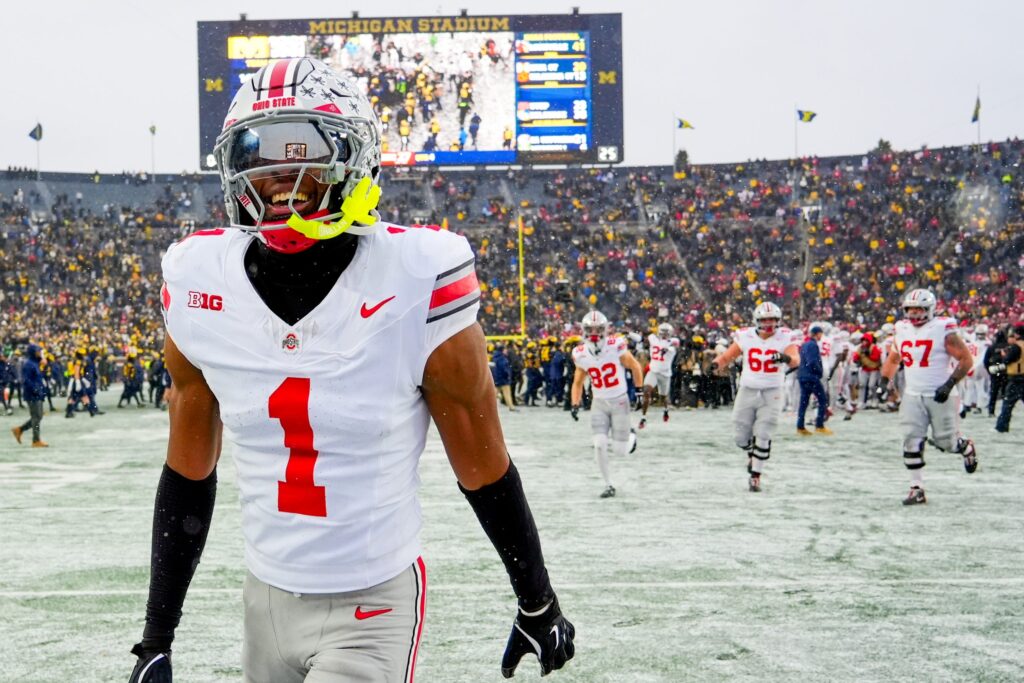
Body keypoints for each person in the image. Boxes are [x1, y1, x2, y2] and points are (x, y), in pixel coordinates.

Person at [128, 58, 573, 683]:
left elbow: (483, 466)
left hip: (371, 603)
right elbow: (187, 471)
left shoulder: (417, 275)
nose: (279, 174)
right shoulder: (199, 279)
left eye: (301, 148)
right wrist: (156, 637)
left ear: (352, 157)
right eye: (258, 152)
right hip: (265, 599)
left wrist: (536, 598)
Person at [878, 289, 978, 506]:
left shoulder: (942, 328)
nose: (914, 313)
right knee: (911, 439)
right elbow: (894, 359)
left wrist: (949, 384)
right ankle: (916, 488)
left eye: (919, 309)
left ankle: (965, 446)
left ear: (930, 309)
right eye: (911, 309)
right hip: (913, 394)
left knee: (946, 442)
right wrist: (884, 381)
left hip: (941, 394)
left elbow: (966, 359)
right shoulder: (901, 328)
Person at [712, 302, 799, 492]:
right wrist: (715, 365)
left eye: (772, 319)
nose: (769, 323)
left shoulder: (785, 336)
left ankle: (755, 477)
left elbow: (795, 360)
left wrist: (784, 358)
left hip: (773, 391)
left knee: (764, 432)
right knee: (740, 436)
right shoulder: (746, 336)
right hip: (748, 389)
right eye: (765, 320)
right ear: (757, 320)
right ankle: (752, 452)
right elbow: (727, 357)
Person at [570, 310, 644, 498]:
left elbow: (635, 366)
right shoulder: (580, 353)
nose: (594, 333)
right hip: (599, 403)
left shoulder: (615, 345)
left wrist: (639, 391)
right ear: (584, 330)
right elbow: (578, 382)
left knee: (620, 451)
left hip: (620, 401)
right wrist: (575, 403)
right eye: (590, 329)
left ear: (605, 329)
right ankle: (608, 484)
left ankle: (631, 435)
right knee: (599, 444)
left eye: (598, 329)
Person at [796, 325, 832, 435]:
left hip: (802, 375)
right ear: (818, 334)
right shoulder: (813, 345)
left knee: (804, 402)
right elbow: (812, 361)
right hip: (811, 376)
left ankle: (800, 426)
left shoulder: (805, 344)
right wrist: (819, 372)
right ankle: (819, 425)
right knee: (823, 400)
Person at [639, 323, 676, 428]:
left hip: (665, 374)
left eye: (666, 332)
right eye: (662, 332)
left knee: (663, 397)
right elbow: (645, 338)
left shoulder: (672, 342)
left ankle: (666, 410)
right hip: (653, 371)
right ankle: (643, 417)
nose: (664, 334)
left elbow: (674, 345)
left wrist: (667, 349)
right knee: (646, 391)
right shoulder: (653, 338)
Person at [11, 344, 47, 448]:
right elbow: (26, 380)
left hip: (37, 393)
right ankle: (36, 440)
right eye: (38, 351)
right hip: (32, 394)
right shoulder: (29, 364)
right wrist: (35, 389)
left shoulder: (35, 363)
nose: (40, 353)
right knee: (36, 417)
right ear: (33, 352)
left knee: (38, 416)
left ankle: (19, 430)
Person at [992, 323, 1024, 432]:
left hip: (1016, 379)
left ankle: (1002, 426)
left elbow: (1008, 360)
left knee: (1007, 404)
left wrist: (1003, 357)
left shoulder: (1017, 346)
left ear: (1017, 334)